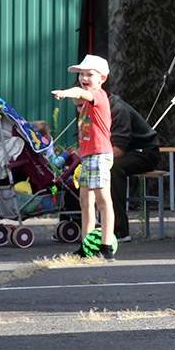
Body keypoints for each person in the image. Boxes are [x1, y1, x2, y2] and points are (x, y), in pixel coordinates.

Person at [53, 55, 114, 260]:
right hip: (88, 156)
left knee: (103, 201)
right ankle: (86, 245)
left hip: (99, 154)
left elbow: (79, 92)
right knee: (85, 201)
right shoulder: (85, 103)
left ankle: (106, 246)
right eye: (81, 74)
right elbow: (79, 96)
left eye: (89, 74)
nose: (84, 77)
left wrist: (63, 93)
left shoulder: (98, 95)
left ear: (102, 78)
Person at [107, 93, 161, 243]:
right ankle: (76, 221)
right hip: (123, 151)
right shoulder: (88, 111)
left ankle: (120, 230)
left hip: (144, 152)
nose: (79, 109)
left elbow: (119, 150)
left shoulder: (118, 110)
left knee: (111, 168)